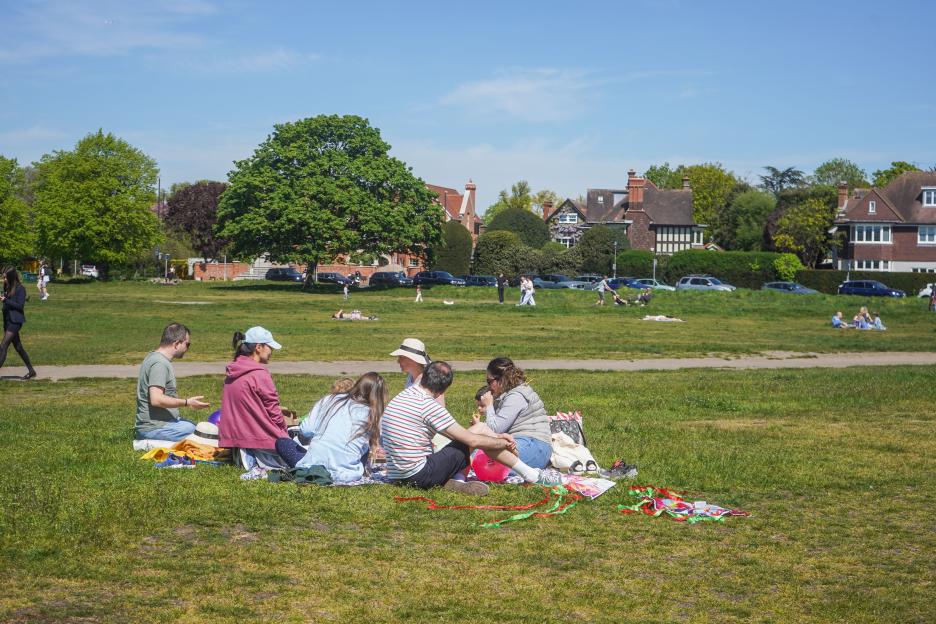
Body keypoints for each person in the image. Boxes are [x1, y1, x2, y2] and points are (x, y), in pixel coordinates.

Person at [380, 361, 561, 496]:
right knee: (479, 431)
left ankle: (455, 480)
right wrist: (500, 442)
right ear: (444, 390)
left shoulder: (404, 395)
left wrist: (496, 437)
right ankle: (531, 475)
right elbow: (471, 439)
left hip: (397, 475)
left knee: (480, 430)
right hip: (418, 475)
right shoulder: (428, 405)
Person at [274, 372, 388, 482]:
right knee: (364, 447)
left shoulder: (330, 399)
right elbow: (386, 442)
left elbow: (306, 430)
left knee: (282, 442)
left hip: (310, 468)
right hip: (346, 474)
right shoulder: (374, 415)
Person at [219, 326, 290, 470]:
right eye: (270, 347)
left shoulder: (233, 371)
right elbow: (273, 411)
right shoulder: (260, 374)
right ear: (258, 347)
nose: (272, 352)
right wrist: (285, 435)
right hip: (258, 440)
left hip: (235, 440)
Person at [473, 357, 553, 470]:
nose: (488, 386)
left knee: (485, 452)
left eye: (489, 381)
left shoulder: (516, 396)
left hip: (534, 446)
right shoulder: (507, 394)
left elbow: (494, 430)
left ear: (501, 380)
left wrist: (489, 405)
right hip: (524, 444)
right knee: (478, 447)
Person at [135, 322, 209, 441]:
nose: (187, 348)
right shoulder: (159, 364)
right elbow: (156, 399)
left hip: (160, 425)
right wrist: (187, 402)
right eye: (187, 344)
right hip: (154, 428)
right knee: (199, 432)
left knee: (195, 427)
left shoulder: (153, 357)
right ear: (176, 344)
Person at [0, 267, 38, 380]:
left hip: (16, 321)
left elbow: (19, 306)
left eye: (5, 277)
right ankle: (31, 371)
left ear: (11, 277)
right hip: (8, 321)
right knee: (18, 347)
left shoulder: (21, 289)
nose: (3, 279)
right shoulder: (7, 287)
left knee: (3, 346)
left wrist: (5, 300)